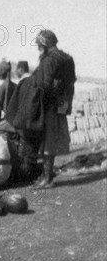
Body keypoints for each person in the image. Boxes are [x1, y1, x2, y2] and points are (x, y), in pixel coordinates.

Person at [30, 30, 76, 188]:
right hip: (62, 103)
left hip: (49, 105)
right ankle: (46, 177)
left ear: (45, 45)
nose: (38, 48)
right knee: (52, 140)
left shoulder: (49, 60)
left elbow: (46, 85)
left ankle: (47, 179)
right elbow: (71, 82)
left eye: (39, 45)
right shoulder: (67, 58)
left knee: (47, 141)